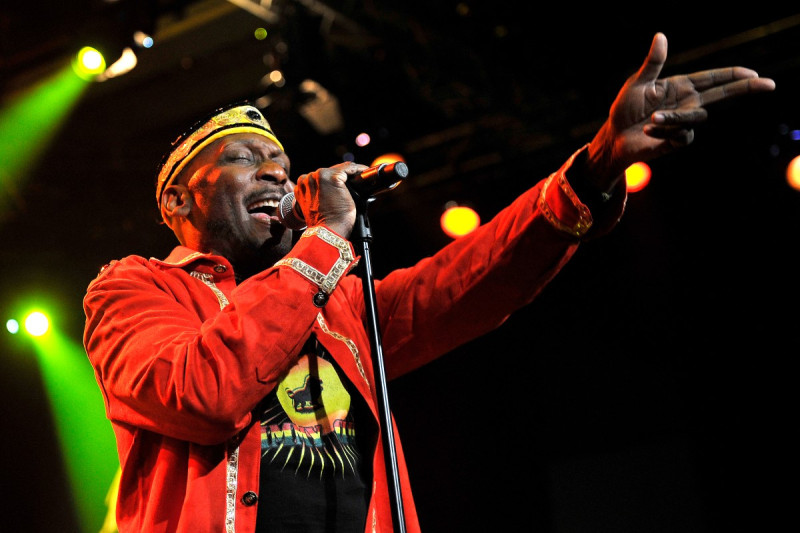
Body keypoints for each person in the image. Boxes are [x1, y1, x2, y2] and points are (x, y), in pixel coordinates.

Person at [82, 32, 775, 533]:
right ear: (178, 200)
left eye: (281, 163)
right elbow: (202, 391)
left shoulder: (339, 302)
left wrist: (594, 167)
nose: (275, 173)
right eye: (243, 158)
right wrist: (324, 243)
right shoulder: (132, 290)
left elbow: (469, 278)